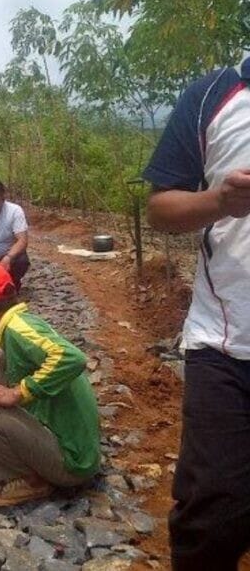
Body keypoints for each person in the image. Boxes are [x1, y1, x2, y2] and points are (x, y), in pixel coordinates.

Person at [143, 58, 250, 571]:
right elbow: (160, 209)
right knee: (214, 513)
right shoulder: (214, 95)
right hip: (226, 343)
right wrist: (220, 200)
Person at [0, 264, 100, 507]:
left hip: (73, 465)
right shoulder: (21, 322)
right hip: (79, 452)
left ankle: (32, 481)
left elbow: (73, 358)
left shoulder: (18, 330)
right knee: (2, 366)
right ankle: (37, 462)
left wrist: (18, 393)